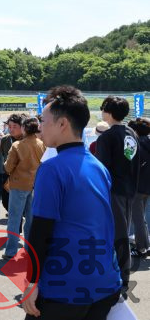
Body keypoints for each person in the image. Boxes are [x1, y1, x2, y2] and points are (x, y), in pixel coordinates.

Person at [22, 86, 121, 320]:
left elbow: (40, 230)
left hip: (64, 287)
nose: (39, 127)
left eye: (43, 121)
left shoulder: (52, 169)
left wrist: (31, 281)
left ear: (62, 124)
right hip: (105, 281)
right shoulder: (99, 167)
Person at [96, 96, 140, 295]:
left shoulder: (107, 137)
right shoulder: (132, 133)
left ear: (108, 112)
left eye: (103, 108)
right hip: (129, 190)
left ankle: (119, 278)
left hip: (112, 192)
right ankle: (121, 276)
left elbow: (101, 170)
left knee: (115, 235)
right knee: (122, 233)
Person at [3, 117, 45, 259]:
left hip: (18, 184)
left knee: (14, 219)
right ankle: (29, 248)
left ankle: (10, 251)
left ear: (24, 128)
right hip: (35, 185)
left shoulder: (17, 145)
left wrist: (6, 165)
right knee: (31, 219)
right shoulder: (41, 144)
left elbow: (8, 167)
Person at [128, 117, 150, 257]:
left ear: (135, 130)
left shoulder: (134, 144)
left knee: (138, 219)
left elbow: (127, 163)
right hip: (147, 186)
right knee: (141, 218)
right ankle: (145, 244)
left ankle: (142, 248)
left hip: (136, 187)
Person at [0, 113, 25, 211]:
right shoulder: (5, 140)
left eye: (15, 126)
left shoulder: (28, 140)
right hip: (7, 176)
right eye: (9, 126)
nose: (11, 129)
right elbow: (3, 155)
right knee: (6, 202)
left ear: (22, 127)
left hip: (23, 178)